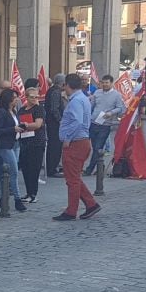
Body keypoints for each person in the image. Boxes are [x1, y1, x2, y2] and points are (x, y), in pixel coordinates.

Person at [54, 74, 101, 221]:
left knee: (72, 179)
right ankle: (90, 204)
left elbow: (77, 122)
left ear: (68, 85)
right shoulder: (83, 98)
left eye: (65, 86)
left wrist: (68, 138)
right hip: (81, 140)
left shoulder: (75, 101)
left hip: (76, 142)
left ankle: (71, 210)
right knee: (74, 177)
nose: (64, 89)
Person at [0, 88, 27, 212]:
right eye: (14, 97)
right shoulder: (1, 112)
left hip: (15, 143)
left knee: (6, 173)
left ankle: (1, 198)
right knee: (13, 172)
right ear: (8, 99)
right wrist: (13, 129)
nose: (16, 99)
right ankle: (17, 200)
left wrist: (20, 128)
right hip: (5, 145)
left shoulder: (14, 111)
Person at [85, 75, 126, 176]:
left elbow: (120, 108)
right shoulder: (97, 92)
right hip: (94, 122)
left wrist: (111, 113)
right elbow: (92, 105)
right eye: (103, 82)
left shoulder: (117, 95)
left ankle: (89, 169)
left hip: (105, 124)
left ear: (111, 83)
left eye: (107, 83)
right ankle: (100, 165)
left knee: (98, 147)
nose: (105, 84)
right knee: (94, 147)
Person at [17, 87, 46, 203]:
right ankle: (28, 193)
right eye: (32, 97)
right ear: (26, 97)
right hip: (25, 141)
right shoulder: (22, 109)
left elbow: (38, 124)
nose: (34, 99)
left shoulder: (39, 109)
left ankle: (33, 194)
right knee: (26, 168)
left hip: (37, 142)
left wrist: (25, 125)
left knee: (34, 169)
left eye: (36, 97)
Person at [44, 74, 66, 178]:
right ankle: (52, 169)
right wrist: (60, 120)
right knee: (55, 146)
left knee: (54, 146)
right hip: (54, 124)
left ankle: (52, 167)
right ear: (62, 83)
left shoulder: (52, 90)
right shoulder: (56, 92)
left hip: (52, 123)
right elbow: (54, 109)